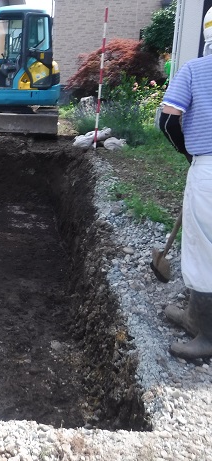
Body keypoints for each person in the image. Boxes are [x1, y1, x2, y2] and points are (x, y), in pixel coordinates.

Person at [158, 6, 212, 360]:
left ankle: (206, 335)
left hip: (208, 168)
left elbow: (167, 120)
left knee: (204, 248)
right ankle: (194, 315)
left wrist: (188, 153)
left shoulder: (195, 69)